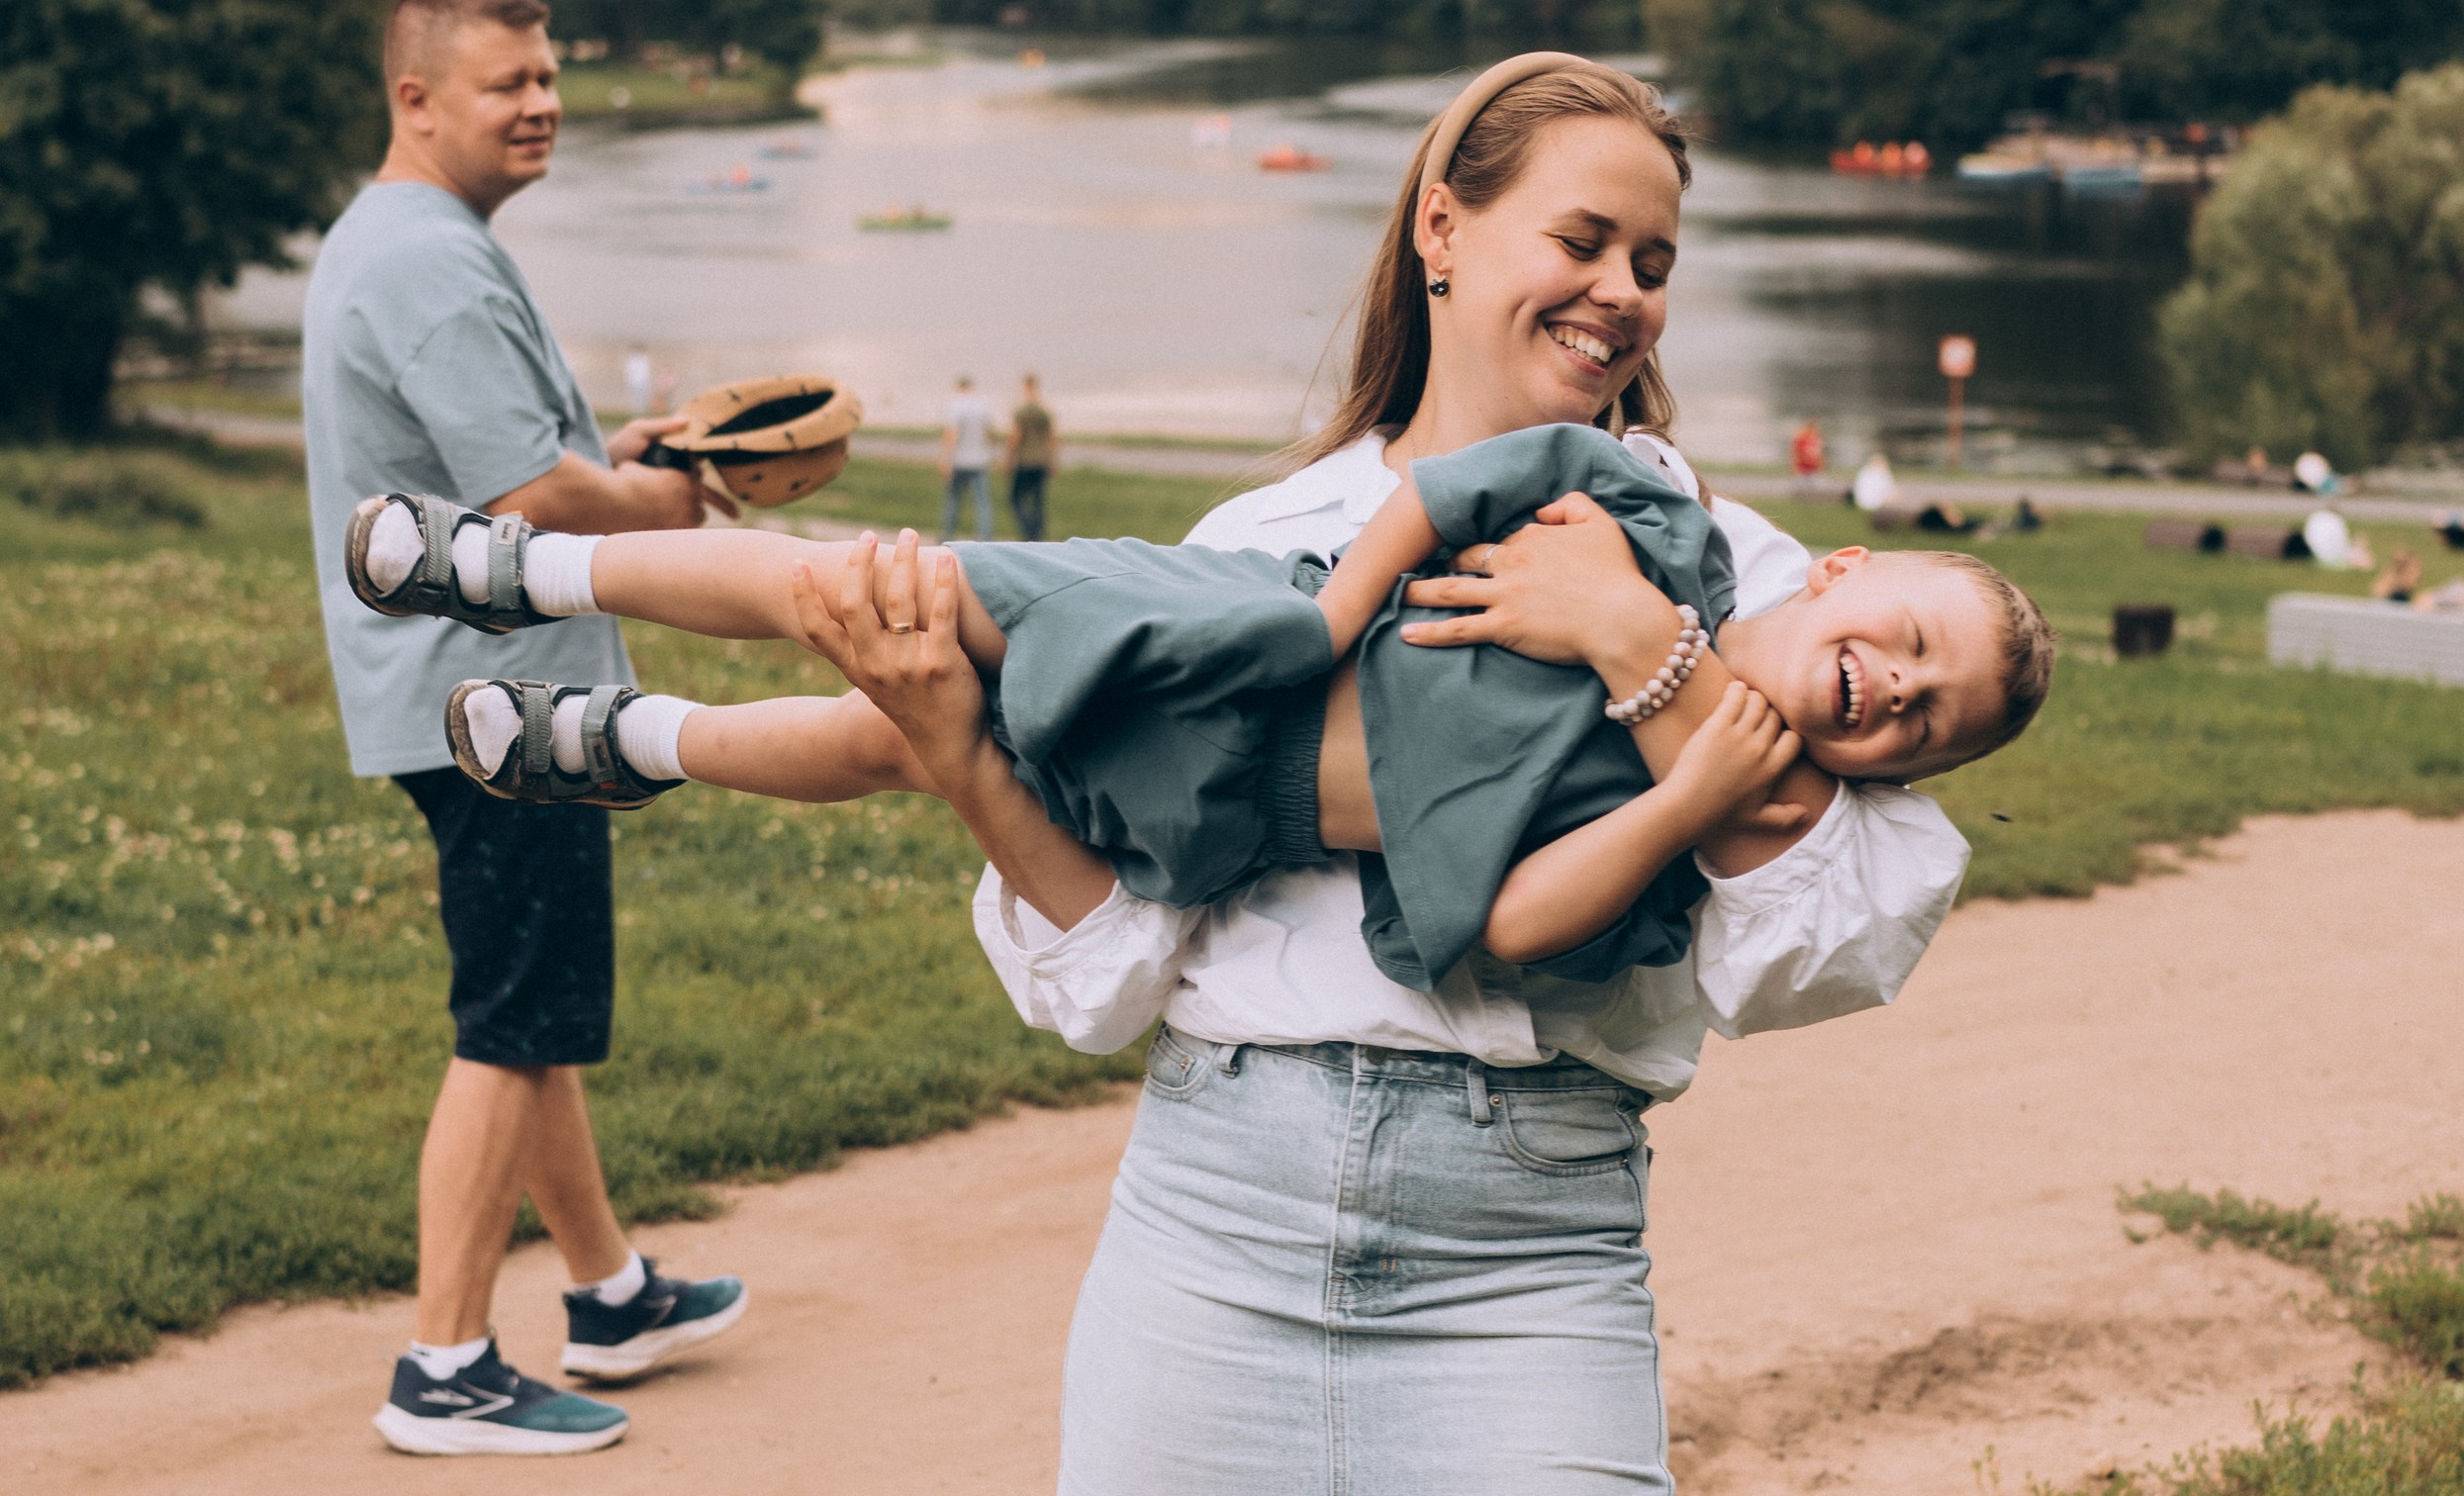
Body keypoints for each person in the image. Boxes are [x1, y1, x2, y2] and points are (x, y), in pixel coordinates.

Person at [468, 54, 1996, 1496]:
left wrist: (1639, 649)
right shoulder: (1268, 541)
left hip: (1520, 1235)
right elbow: (1104, 963)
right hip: (1230, 1187)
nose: (1615, 287)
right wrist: (950, 741)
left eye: (1656, 258)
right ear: (1444, 230)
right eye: (1578, 237)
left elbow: (1837, 929)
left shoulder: (1751, 577)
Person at [356, 432, 2041, 1014]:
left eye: (1928, 715)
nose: (1893, 686)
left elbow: (1489, 928)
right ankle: (525, 563)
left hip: (1210, 814)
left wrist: (1680, 803)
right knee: (884, 593)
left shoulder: (1665, 849)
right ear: (1839, 570)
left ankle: (616, 751)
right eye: (1903, 637)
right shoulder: (1656, 532)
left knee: (901, 739)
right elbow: (1465, 476)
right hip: (1218, 632)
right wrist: (1319, 610)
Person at [301, 0, 752, 1456]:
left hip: (475, 691)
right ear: (416, 99)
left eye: (548, 77)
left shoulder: (412, 238)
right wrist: (666, 500)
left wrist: (610, 454)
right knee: (508, 1021)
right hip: (498, 704)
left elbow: (522, 458)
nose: (543, 104)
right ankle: (442, 1366)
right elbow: (540, 502)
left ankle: (610, 1294)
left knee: (535, 1006)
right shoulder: (426, 256)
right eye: (509, 84)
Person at [941, 376, 997, 540]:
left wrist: (945, 459)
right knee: (982, 504)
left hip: (959, 461)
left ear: (959, 387)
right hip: (979, 461)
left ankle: (948, 536)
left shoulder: (956, 405)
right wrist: (991, 454)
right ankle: (985, 538)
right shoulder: (982, 406)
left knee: (953, 502)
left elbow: (952, 434)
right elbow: (990, 433)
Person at [1009, 375, 1056, 540]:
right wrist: (1052, 460)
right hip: (1041, 460)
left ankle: (1028, 530)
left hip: (1025, 461)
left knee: (1015, 498)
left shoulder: (1022, 411)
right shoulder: (1043, 411)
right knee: (1038, 500)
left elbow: (1016, 437)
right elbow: (1050, 437)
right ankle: (1038, 533)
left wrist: (1008, 458)